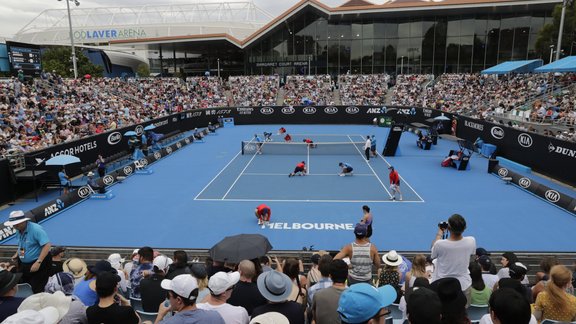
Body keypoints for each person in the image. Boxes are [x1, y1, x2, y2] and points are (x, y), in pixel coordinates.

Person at [431, 214, 476, 307]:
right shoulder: (471, 241)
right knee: (462, 314)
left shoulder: (439, 244)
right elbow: (472, 255)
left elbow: (433, 252)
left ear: (448, 228)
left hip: (442, 286)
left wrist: (440, 232)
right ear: (465, 228)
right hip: (463, 286)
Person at [5, 210, 52, 293]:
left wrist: (38, 262)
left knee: (37, 288)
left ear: (24, 221)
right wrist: (18, 254)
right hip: (24, 264)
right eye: (13, 224)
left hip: (39, 263)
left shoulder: (36, 229)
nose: (15, 226)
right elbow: (22, 245)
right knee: (24, 285)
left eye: (17, 223)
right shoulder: (18, 230)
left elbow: (47, 246)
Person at [155, 274, 225, 323]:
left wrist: (160, 315)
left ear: (179, 300)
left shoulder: (168, 322)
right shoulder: (215, 316)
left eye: (168, 295)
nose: (169, 299)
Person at [311, 259, 348, 324]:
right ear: (347, 275)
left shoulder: (318, 295)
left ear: (330, 276)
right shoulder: (355, 296)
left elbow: (314, 319)